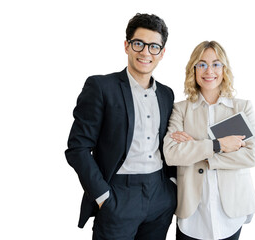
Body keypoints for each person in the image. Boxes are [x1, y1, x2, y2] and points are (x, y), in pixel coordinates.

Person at [65, 13, 176, 240]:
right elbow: (77, 148)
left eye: (154, 46)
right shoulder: (101, 86)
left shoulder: (166, 94)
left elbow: (168, 142)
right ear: (127, 46)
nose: (146, 52)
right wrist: (103, 195)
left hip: (160, 195)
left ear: (162, 53)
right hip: (118, 194)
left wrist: (172, 186)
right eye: (139, 44)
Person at [163, 41, 255, 240]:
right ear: (194, 69)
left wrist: (199, 153)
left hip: (231, 212)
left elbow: (251, 155)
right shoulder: (181, 109)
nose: (209, 71)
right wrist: (218, 145)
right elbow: (171, 153)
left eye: (216, 64)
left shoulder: (242, 108)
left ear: (224, 69)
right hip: (193, 212)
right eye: (202, 64)